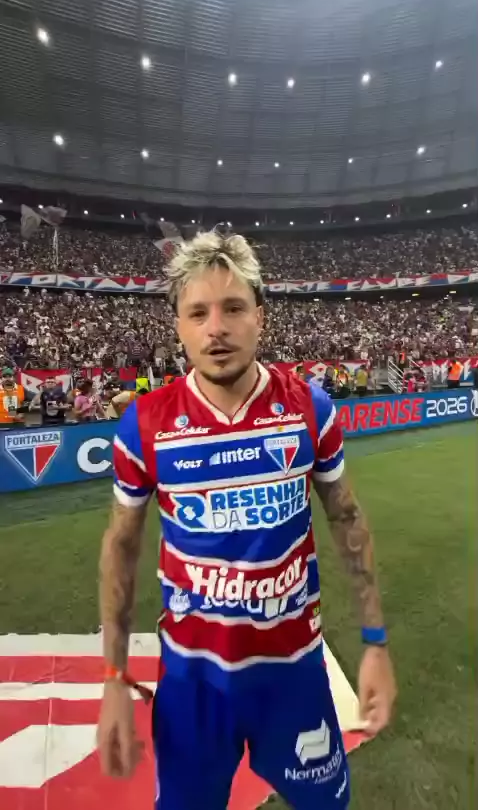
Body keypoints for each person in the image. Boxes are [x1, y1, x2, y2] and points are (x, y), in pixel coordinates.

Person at [97, 231, 397, 810]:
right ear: (179, 326)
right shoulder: (146, 424)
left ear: (260, 315)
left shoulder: (309, 409)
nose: (216, 328)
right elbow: (120, 547)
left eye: (233, 308)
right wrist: (114, 676)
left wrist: (375, 642)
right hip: (193, 685)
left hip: (294, 675)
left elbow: (347, 519)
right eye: (198, 313)